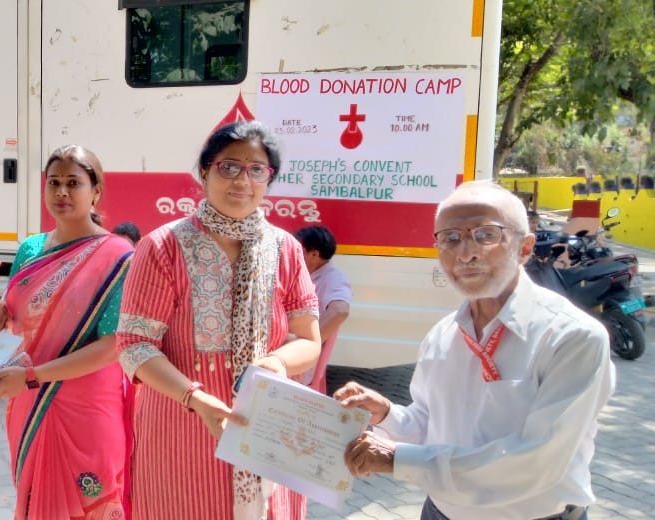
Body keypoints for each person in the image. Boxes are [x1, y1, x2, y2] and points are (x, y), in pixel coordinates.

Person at [335, 181, 615, 520]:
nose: (465, 253)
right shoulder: (443, 335)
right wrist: (386, 414)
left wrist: (396, 459)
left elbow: (537, 462)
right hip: (439, 512)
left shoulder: (572, 337)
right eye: (450, 238)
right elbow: (431, 424)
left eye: (485, 235)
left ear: (525, 248)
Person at [116, 121, 321, 519]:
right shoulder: (163, 247)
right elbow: (134, 345)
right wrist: (195, 398)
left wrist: (277, 361)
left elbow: (308, 339)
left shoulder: (286, 250)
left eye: (256, 169)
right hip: (182, 427)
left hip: (268, 425)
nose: (242, 180)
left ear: (269, 178)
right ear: (204, 171)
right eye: (229, 167)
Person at [0, 145, 134, 519]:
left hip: (86, 406)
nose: (62, 192)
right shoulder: (31, 248)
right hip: (28, 401)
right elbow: (14, 311)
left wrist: (33, 377)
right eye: (54, 183)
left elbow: (112, 345)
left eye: (73, 183)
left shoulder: (119, 256)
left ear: (96, 191)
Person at [293, 225, 352, 393]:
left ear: (314, 254)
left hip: (297, 364)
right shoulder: (308, 273)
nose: (293, 255)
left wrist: (306, 345)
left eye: (298, 251)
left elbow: (340, 311)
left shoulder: (333, 278)